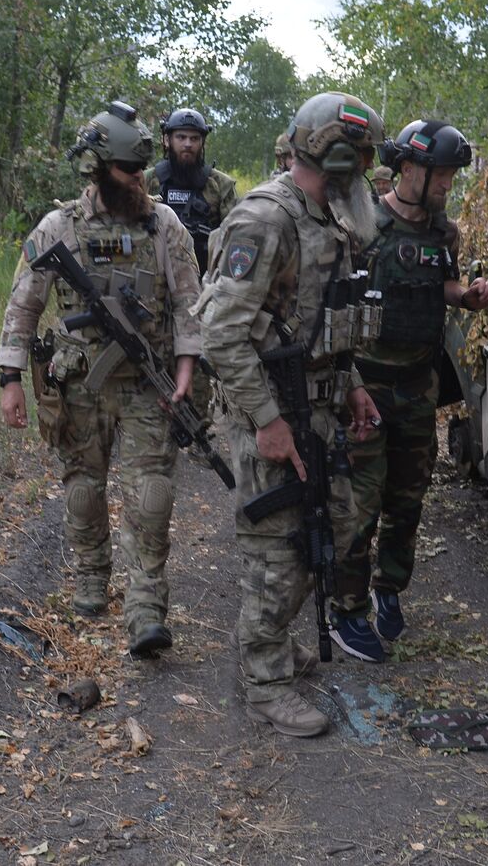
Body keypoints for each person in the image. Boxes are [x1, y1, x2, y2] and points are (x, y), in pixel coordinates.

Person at [197, 91, 384, 736]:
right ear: (334, 154)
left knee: (325, 531)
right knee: (277, 549)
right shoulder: (265, 221)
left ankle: (273, 644)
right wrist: (268, 421)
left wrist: (352, 382)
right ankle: (264, 681)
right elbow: (222, 334)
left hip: (318, 404)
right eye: (358, 157)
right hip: (271, 408)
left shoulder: (325, 217)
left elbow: (317, 326)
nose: (364, 169)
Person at [0, 102, 203, 658]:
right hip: (79, 383)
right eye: (127, 172)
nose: (139, 181)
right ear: (96, 168)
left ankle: (146, 605)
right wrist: (10, 377)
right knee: (84, 492)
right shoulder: (58, 227)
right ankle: (91, 577)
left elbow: (189, 304)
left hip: (145, 384)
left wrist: (185, 367)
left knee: (152, 497)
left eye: (141, 171)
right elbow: (23, 306)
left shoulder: (164, 226)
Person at [331, 120, 488, 662]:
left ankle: (388, 590)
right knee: (361, 501)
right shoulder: (363, 224)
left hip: (419, 387)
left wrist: (468, 296)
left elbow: (441, 283)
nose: (448, 185)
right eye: (442, 175)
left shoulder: (442, 232)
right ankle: (346, 610)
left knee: (407, 500)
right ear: (408, 169)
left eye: (451, 176)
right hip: (366, 387)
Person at [144, 108, 239, 273]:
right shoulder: (146, 180)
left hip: (204, 278)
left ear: (202, 143)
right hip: (154, 276)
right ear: (167, 140)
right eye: (181, 137)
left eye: (194, 138)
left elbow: (235, 239)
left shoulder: (221, 185)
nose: (188, 144)